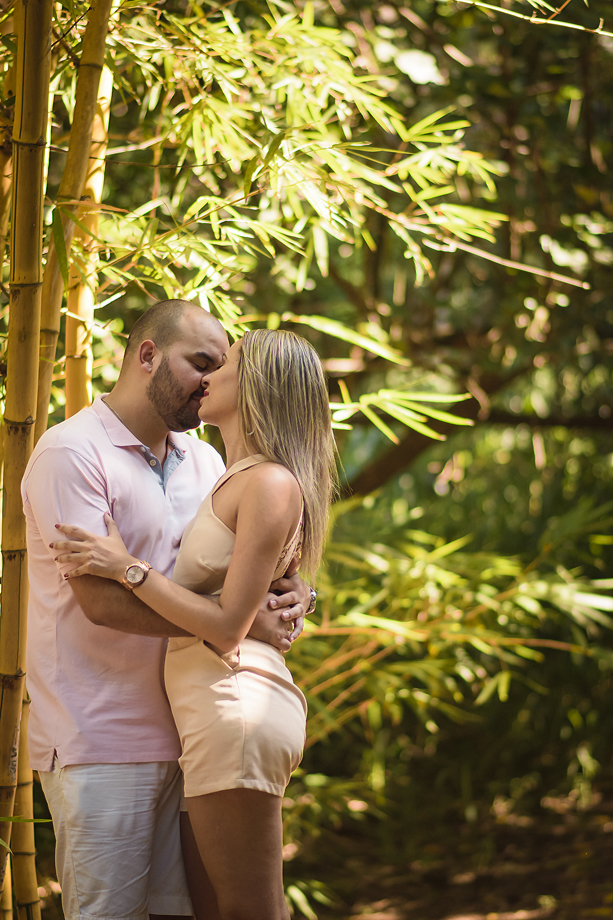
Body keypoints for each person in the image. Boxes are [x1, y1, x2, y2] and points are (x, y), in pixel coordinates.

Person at [22, 301, 311, 920]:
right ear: (147, 356)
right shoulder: (71, 453)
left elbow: (242, 568)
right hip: (101, 736)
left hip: (193, 730)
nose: (210, 380)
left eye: (220, 367)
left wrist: (294, 592)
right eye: (199, 363)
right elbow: (101, 602)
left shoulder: (207, 461)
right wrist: (239, 620)